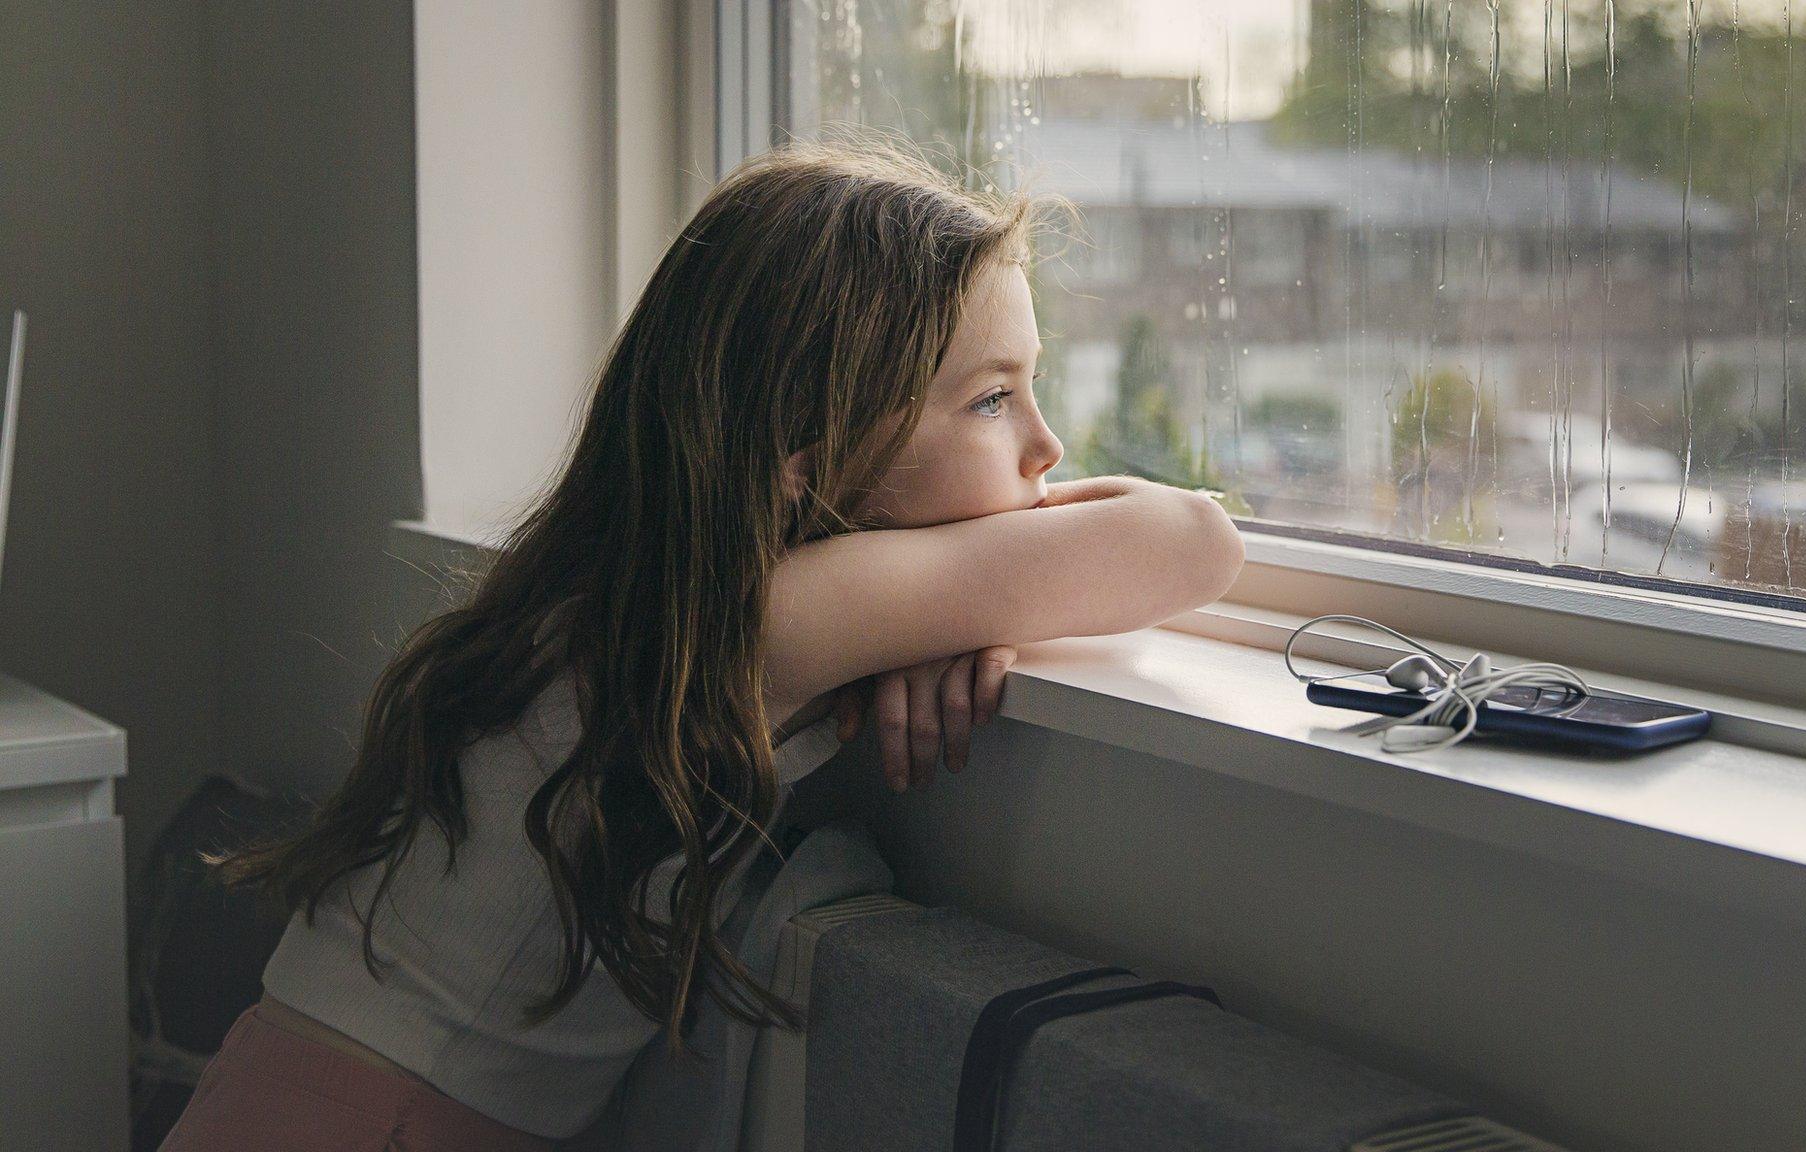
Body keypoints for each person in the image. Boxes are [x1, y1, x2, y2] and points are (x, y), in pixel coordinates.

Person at [159, 133, 1245, 1151]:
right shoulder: (753, 619)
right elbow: (1194, 542)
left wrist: (962, 599)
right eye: (993, 399)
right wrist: (965, 592)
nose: (1046, 444)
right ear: (803, 459)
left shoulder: (636, 590)